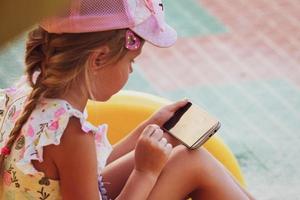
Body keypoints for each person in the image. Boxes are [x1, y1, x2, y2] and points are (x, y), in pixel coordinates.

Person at [0, 0, 255, 199]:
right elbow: (81, 166)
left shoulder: (27, 95)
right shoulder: (70, 133)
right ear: (98, 58)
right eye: (130, 62)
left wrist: (148, 129)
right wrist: (145, 173)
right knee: (190, 162)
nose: (131, 71)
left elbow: (85, 174)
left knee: (171, 145)